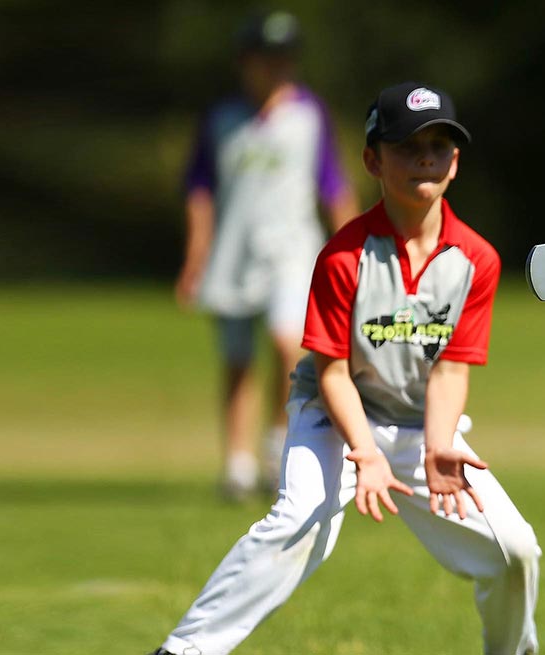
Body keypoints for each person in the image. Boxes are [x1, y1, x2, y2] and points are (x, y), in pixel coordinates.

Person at [152, 82, 540, 655]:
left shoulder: (476, 259)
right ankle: (185, 650)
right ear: (372, 160)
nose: (425, 158)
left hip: (419, 423)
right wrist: (365, 451)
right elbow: (331, 371)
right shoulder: (343, 255)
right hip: (334, 416)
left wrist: (436, 447)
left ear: (455, 163)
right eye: (408, 146)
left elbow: (452, 370)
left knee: (514, 550)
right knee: (300, 520)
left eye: (439, 145)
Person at [175, 11, 358, 500]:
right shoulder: (222, 119)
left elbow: (334, 186)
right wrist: (196, 256)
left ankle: (280, 444)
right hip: (233, 252)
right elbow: (200, 190)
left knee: (288, 346)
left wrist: (355, 251)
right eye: (266, 59)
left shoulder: (307, 115)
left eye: (284, 58)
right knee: (237, 360)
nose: (276, 68)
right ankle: (237, 462)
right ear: (245, 62)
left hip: (293, 251)